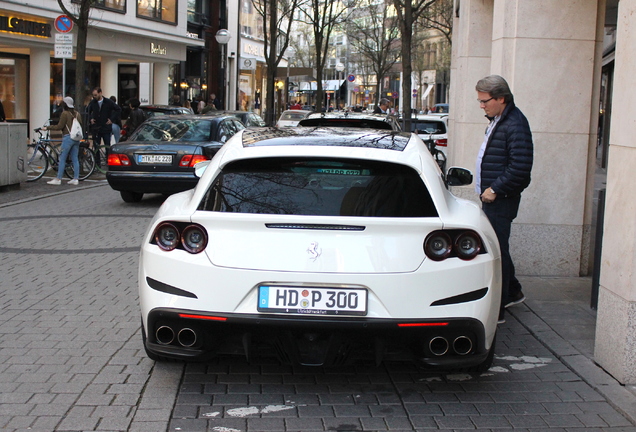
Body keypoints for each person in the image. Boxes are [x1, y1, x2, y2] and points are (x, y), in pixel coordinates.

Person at [474, 74, 533, 324]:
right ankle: (513, 290)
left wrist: (495, 189)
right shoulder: (500, 120)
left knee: (497, 251)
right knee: (500, 247)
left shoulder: (515, 124)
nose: (481, 105)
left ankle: (498, 307)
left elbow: (520, 167)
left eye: (485, 100)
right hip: (493, 197)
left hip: (500, 198)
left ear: (501, 98)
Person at [43, 96, 82, 185]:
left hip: (68, 137)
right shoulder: (77, 114)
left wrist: (48, 128)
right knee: (75, 158)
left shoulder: (65, 114)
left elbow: (59, 126)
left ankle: (58, 178)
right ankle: (76, 178)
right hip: (76, 138)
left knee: (62, 158)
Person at [87, 87, 120, 166]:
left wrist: (111, 119)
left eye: (95, 95)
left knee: (107, 146)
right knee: (96, 146)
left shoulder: (108, 102)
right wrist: (90, 119)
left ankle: (109, 162)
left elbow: (118, 109)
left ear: (100, 93)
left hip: (105, 127)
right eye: (93, 95)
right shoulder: (92, 102)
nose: (94, 97)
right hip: (96, 128)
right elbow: (87, 111)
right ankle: (97, 163)